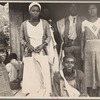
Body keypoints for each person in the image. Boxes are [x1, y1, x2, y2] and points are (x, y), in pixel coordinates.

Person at [20, 2, 52, 97]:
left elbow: (49, 37)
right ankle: (31, 89)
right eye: (33, 10)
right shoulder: (24, 24)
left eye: (37, 11)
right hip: (30, 51)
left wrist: (42, 45)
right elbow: (21, 38)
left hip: (41, 50)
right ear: (29, 11)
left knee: (44, 69)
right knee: (30, 70)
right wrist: (28, 45)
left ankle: (45, 88)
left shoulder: (44, 23)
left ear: (40, 12)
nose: (35, 13)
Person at [57, 4, 85, 71]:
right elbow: (59, 35)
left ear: (78, 8)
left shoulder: (83, 19)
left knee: (78, 65)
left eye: (75, 6)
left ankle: (78, 80)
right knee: (68, 66)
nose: (73, 8)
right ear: (68, 8)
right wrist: (65, 41)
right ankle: (69, 80)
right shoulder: (63, 21)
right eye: (71, 7)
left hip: (78, 46)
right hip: (68, 46)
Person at [82, 4, 100, 97]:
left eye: (93, 8)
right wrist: (82, 52)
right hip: (88, 48)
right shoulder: (84, 23)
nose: (91, 10)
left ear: (97, 9)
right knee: (89, 70)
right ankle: (91, 93)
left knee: (98, 70)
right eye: (89, 8)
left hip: (99, 48)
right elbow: (82, 39)